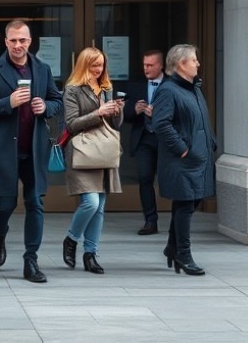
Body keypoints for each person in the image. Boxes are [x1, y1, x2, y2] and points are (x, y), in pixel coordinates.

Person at [0, 20, 63, 283]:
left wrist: (45, 107)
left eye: (22, 40)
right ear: (5, 42)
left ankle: (31, 260)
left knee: (35, 202)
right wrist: (8, 102)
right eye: (13, 40)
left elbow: (57, 101)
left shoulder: (42, 69)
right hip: (4, 149)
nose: (18, 45)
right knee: (5, 204)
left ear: (30, 41)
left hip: (34, 148)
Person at [152, 44, 215, 276]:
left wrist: (211, 141)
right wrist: (182, 149)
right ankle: (183, 254)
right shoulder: (168, 90)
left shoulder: (193, 88)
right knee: (186, 205)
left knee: (190, 201)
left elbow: (199, 120)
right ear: (181, 64)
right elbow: (160, 123)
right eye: (194, 60)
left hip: (199, 157)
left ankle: (172, 246)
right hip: (182, 160)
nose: (198, 63)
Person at [60, 47, 123, 275]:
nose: (98, 70)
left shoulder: (106, 88)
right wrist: (98, 112)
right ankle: (71, 239)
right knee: (91, 203)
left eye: (101, 65)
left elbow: (115, 126)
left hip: (103, 151)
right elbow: (71, 125)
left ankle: (90, 254)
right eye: (94, 65)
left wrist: (116, 111)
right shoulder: (72, 90)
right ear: (84, 65)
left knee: (100, 208)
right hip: (82, 151)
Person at [123, 49, 167, 236]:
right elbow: (125, 115)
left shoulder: (172, 85)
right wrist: (135, 109)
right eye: (144, 65)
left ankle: (181, 217)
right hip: (144, 139)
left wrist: (158, 114)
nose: (146, 69)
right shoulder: (136, 87)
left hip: (167, 139)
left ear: (161, 65)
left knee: (171, 179)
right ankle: (150, 220)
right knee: (144, 178)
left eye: (150, 65)